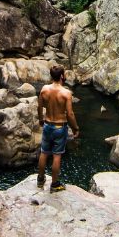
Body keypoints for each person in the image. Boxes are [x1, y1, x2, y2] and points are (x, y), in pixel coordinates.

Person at [37, 64, 79, 192]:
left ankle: (40, 179)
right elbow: (70, 114)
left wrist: (40, 120)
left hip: (47, 124)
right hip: (60, 127)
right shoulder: (66, 93)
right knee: (57, 156)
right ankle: (54, 184)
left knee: (44, 152)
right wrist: (76, 128)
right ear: (62, 76)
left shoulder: (44, 89)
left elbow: (40, 107)